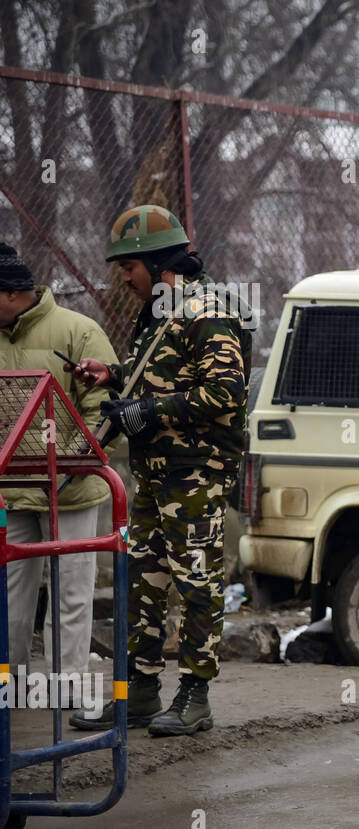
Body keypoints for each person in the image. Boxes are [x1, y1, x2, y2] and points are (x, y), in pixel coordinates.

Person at [69, 204, 248, 734]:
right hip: (153, 471)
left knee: (196, 583)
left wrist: (147, 411)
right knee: (142, 582)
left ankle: (195, 697)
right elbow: (168, 376)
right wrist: (115, 376)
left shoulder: (207, 308)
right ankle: (141, 692)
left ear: (155, 261)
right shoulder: (163, 312)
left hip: (194, 473)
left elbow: (224, 392)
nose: (124, 277)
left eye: (129, 266)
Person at [0, 242, 119, 677]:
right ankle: (7, 686)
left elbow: (104, 408)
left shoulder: (79, 332)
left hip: (69, 489)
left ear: (12, 294)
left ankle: (64, 687)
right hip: (10, 492)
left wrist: (77, 464)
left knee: (70, 593)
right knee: (9, 595)